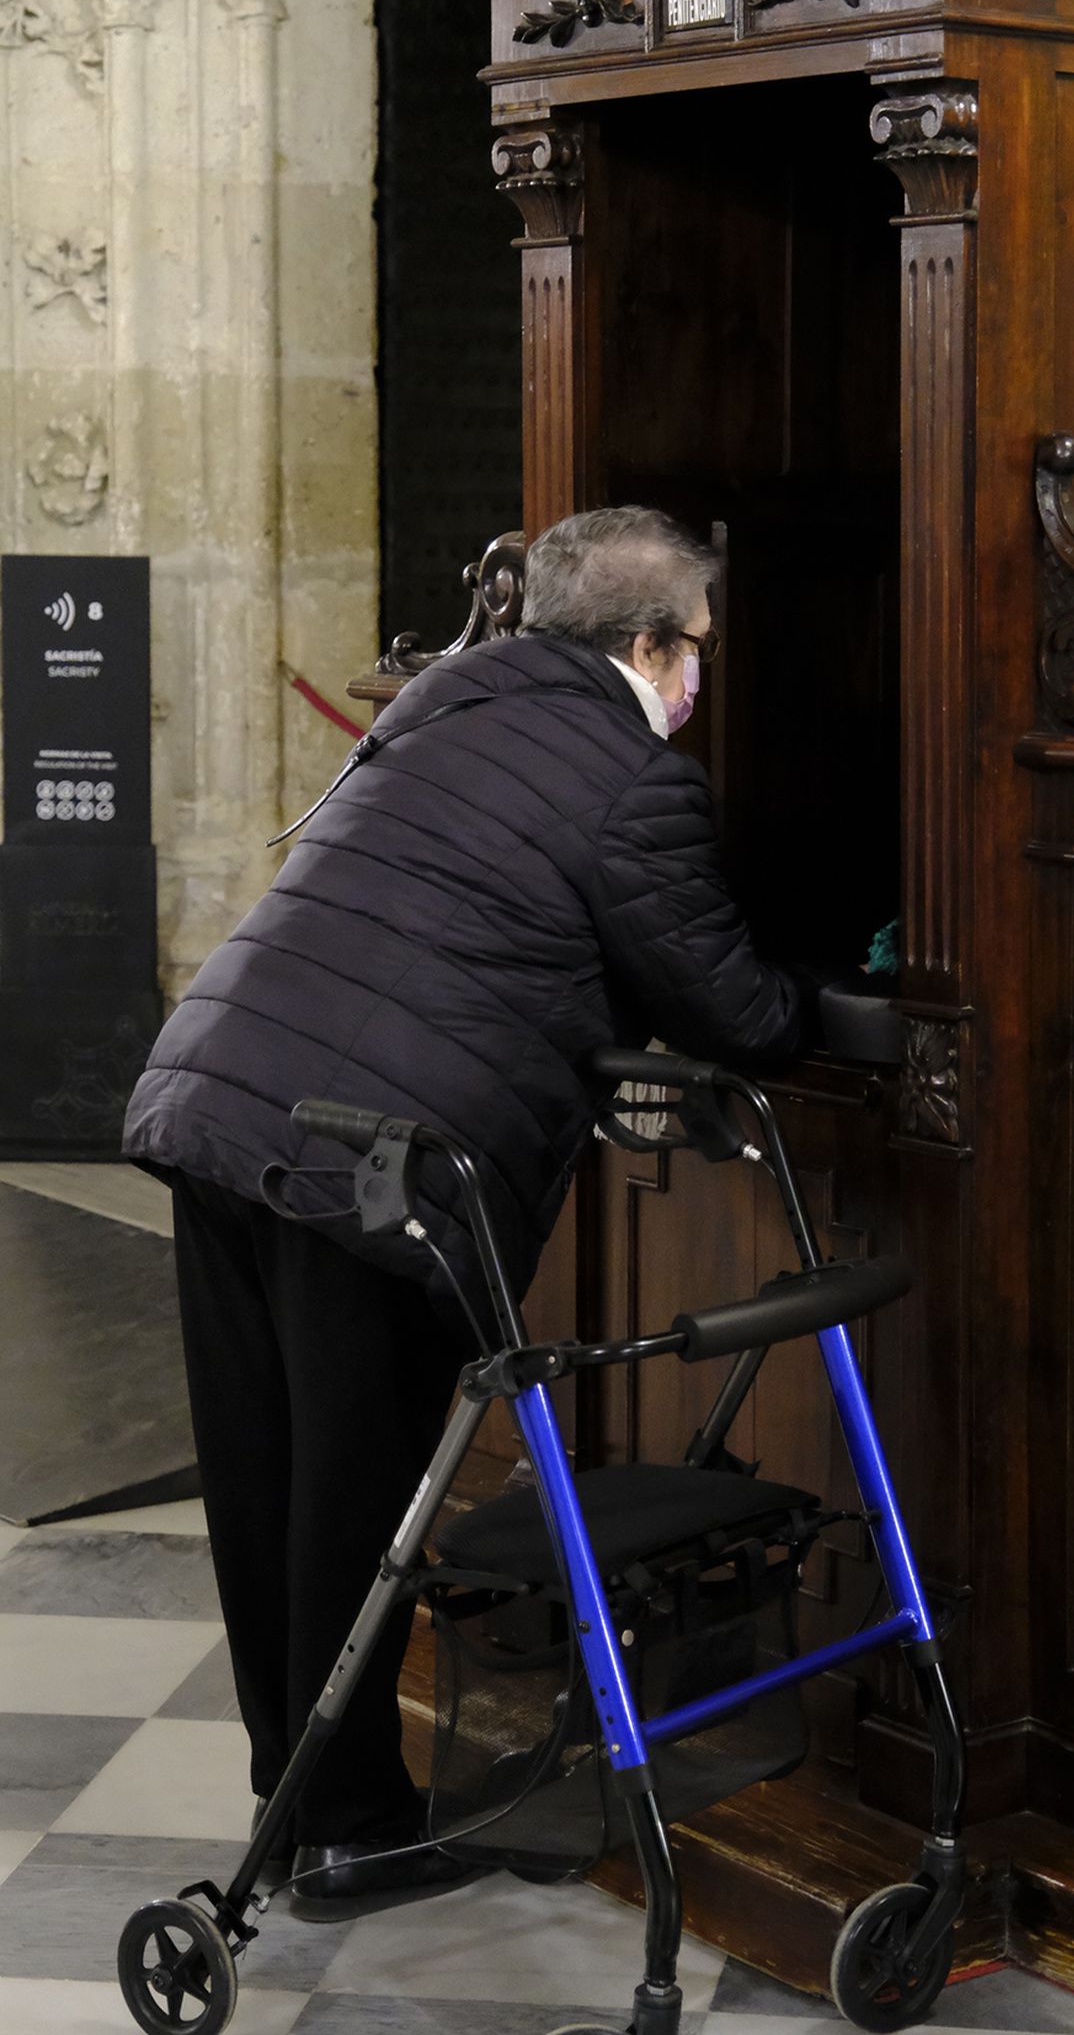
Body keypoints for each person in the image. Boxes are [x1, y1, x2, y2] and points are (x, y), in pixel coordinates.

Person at [123, 506, 803, 1919]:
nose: (700, 683)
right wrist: (831, 1009)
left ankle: (298, 1800)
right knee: (352, 1495)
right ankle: (354, 1828)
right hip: (370, 1163)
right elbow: (729, 1003)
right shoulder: (632, 777)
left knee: (263, 1478)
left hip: (222, 1101)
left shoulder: (440, 705)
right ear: (644, 644)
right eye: (698, 653)